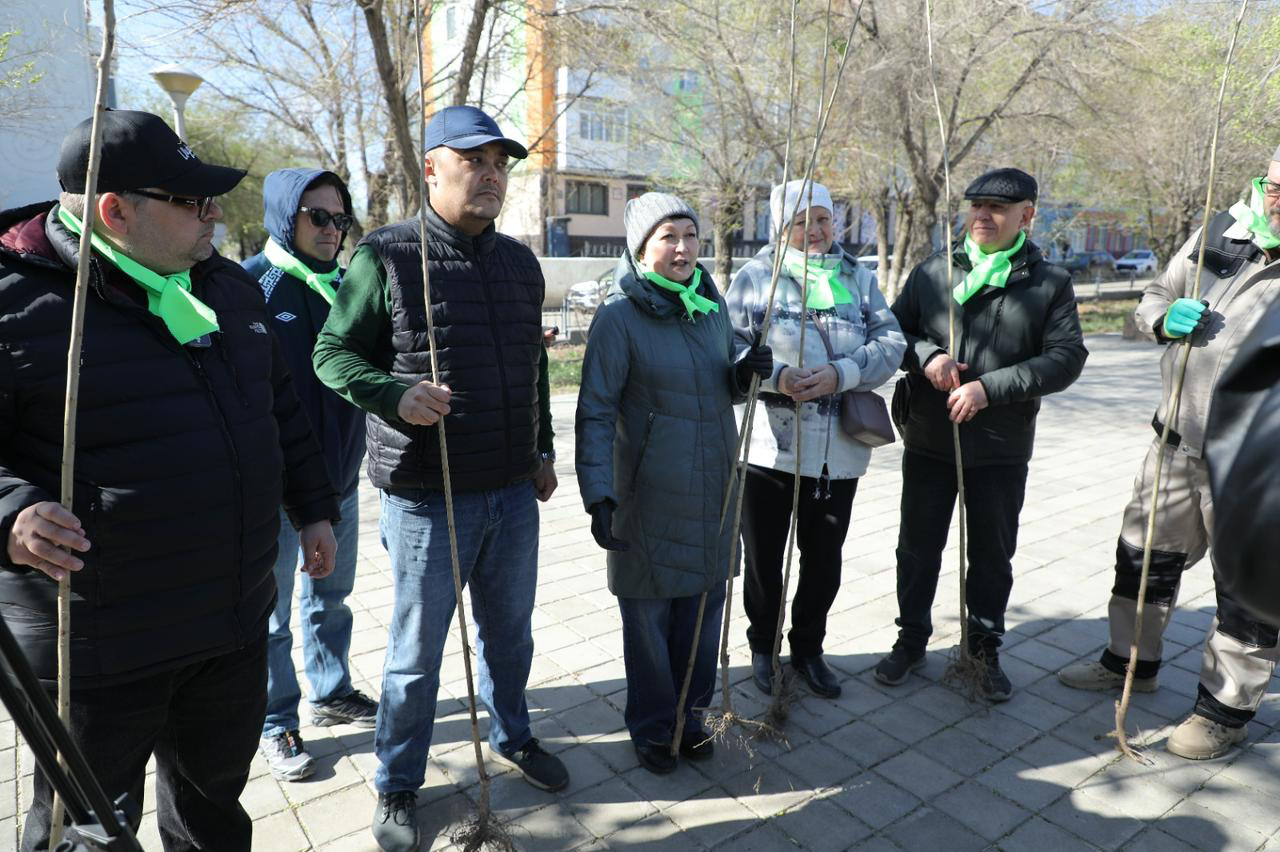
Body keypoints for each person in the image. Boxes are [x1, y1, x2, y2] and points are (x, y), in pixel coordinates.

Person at [0, 110, 339, 851]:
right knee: (82, 832)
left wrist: (314, 507)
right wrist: (12, 515)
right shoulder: (15, 302)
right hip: (99, 643)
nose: (213, 213)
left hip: (230, 623)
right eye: (190, 201)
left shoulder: (227, 286)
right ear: (114, 211)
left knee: (212, 809)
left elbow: (280, 408)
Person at [312, 105, 566, 852]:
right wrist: (394, 395)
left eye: (500, 164)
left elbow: (533, 365)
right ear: (431, 168)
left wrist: (542, 449)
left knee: (510, 636)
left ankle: (513, 734)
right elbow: (331, 354)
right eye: (473, 160)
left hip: (512, 492)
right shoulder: (387, 255)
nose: (491, 175)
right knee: (416, 657)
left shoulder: (520, 263)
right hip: (428, 497)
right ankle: (398, 780)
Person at [1058, 146, 1280, 760]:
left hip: (1258, 467)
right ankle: (1129, 663)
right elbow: (1155, 295)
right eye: (1274, 186)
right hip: (1174, 443)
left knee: (1249, 593)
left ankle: (1224, 712)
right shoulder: (1223, 230)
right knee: (1142, 559)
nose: (1278, 200)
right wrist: (1163, 320)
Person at [576, 192, 772, 774]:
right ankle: (653, 727)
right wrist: (598, 493)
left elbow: (716, 386)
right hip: (649, 495)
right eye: (668, 237)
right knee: (649, 620)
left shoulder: (709, 306)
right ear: (641, 248)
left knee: (703, 615)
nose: (684, 248)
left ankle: (692, 718)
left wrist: (741, 376)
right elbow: (596, 411)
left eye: (690, 235)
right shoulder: (619, 318)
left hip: (713, 488)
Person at [877, 167, 1087, 701]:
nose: (982, 216)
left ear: (1026, 215)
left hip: (1000, 446)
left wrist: (989, 389)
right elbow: (893, 331)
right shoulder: (935, 271)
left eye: (997, 208)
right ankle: (911, 639)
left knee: (993, 555)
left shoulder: (1049, 283)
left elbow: (1066, 358)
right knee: (916, 549)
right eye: (975, 206)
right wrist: (928, 356)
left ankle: (983, 649)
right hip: (929, 437)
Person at [725, 179, 905, 699]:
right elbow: (728, 345)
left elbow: (891, 341)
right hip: (769, 450)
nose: (815, 230)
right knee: (764, 559)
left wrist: (842, 373)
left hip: (835, 455)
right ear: (781, 228)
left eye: (822, 219)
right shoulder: (757, 276)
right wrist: (777, 376)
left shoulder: (858, 277)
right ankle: (763, 647)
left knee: (823, 559)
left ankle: (808, 648)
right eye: (801, 222)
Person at [241, 168, 375, 781]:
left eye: (340, 218)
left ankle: (331, 690)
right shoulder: (248, 285)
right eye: (317, 216)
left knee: (331, 597)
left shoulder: (348, 286)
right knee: (271, 616)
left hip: (340, 479)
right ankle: (276, 720)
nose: (331, 229)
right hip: (276, 491)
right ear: (283, 216)